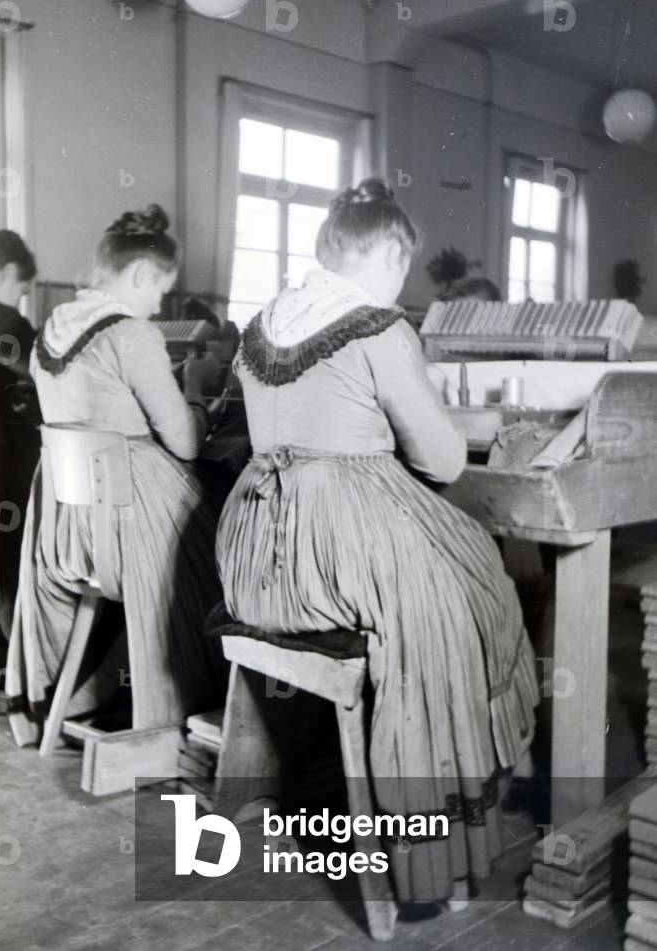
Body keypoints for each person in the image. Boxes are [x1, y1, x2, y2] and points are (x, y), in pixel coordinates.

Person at [216, 179, 539, 907]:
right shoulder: (377, 326)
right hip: (337, 553)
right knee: (469, 591)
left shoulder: (265, 321)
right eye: (401, 264)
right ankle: (432, 855)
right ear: (388, 254)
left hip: (256, 560)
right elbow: (445, 463)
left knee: (442, 582)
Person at [6, 204, 228, 731]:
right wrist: (195, 390)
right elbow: (186, 443)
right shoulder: (131, 333)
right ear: (141, 274)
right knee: (232, 530)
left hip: (69, 534)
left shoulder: (49, 332)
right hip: (131, 534)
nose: (157, 305)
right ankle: (207, 708)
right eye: (159, 291)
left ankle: (76, 694)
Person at [0, 230, 40, 637]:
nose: (20, 297)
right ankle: (28, 673)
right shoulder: (3, 318)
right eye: (21, 288)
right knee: (3, 559)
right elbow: (47, 375)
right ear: (10, 273)